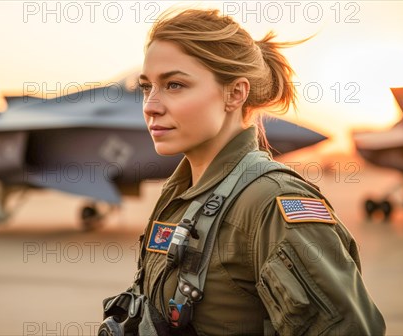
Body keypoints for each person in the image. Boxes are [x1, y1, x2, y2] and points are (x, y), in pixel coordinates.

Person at [100, 7, 386, 336]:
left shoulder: (271, 204)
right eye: (147, 87)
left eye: (175, 85)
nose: (150, 105)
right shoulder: (182, 194)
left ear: (235, 93)